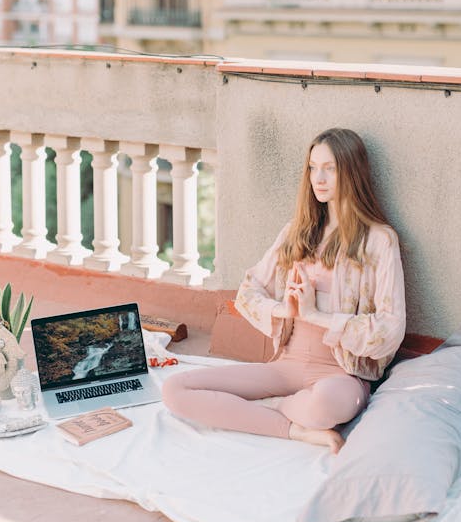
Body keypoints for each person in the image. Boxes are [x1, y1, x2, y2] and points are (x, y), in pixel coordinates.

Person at [162, 127, 406, 453]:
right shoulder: (296, 233)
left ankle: (266, 411)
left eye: (329, 168)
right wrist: (284, 310)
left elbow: (390, 329)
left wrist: (317, 315)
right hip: (284, 368)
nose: (317, 178)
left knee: (325, 407)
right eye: (312, 167)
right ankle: (295, 430)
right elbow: (249, 291)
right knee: (175, 389)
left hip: (341, 374)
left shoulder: (379, 240)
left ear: (352, 171)